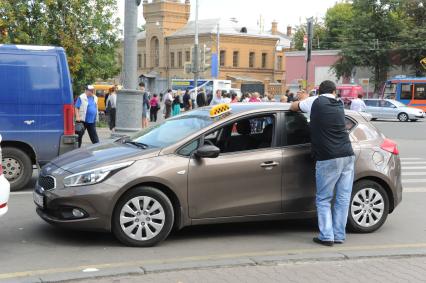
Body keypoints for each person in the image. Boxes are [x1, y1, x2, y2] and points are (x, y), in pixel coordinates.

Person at [290, 80, 355, 247]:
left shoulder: (316, 101)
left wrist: (304, 99)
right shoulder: (339, 103)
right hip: (347, 154)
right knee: (342, 197)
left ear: (320, 92)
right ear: (334, 92)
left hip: (328, 157)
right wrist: (308, 98)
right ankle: (339, 235)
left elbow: (293, 107)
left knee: (324, 198)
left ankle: (326, 236)